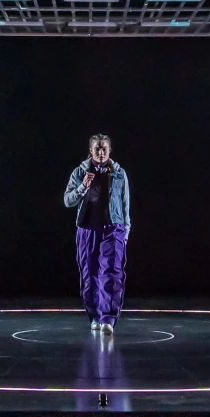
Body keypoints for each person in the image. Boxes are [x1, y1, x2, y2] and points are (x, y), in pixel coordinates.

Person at [62, 134, 131, 333]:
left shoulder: (119, 173)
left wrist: (126, 231)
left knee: (111, 272)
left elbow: (126, 204)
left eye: (104, 149)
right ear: (91, 151)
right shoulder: (80, 172)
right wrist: (83, 186)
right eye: (97, 149)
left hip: (113, 229)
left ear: (110, 151)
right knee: (89, 274)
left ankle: (107, 318)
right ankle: (94, 316)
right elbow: (68, 201)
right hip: (87, 230)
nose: (101, 153)